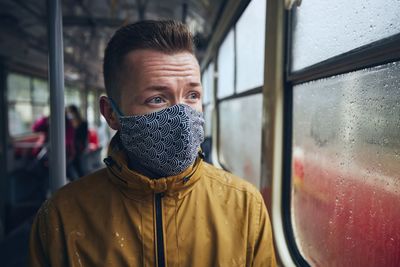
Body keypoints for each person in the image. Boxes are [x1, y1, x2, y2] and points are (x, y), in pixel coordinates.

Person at [29, 20, 277, 266]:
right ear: (111, 114)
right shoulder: (61, 218)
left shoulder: (245, 206)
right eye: (157, 99)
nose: (182, 115)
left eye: (192, 95)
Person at [66, 104, 89, 177]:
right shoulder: (69, 124)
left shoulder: (83, 123)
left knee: (80, 168)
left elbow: (84, 137)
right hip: (71, 150)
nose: (69, 114)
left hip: (79, 150)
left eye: (70, 112)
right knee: (71, 168)